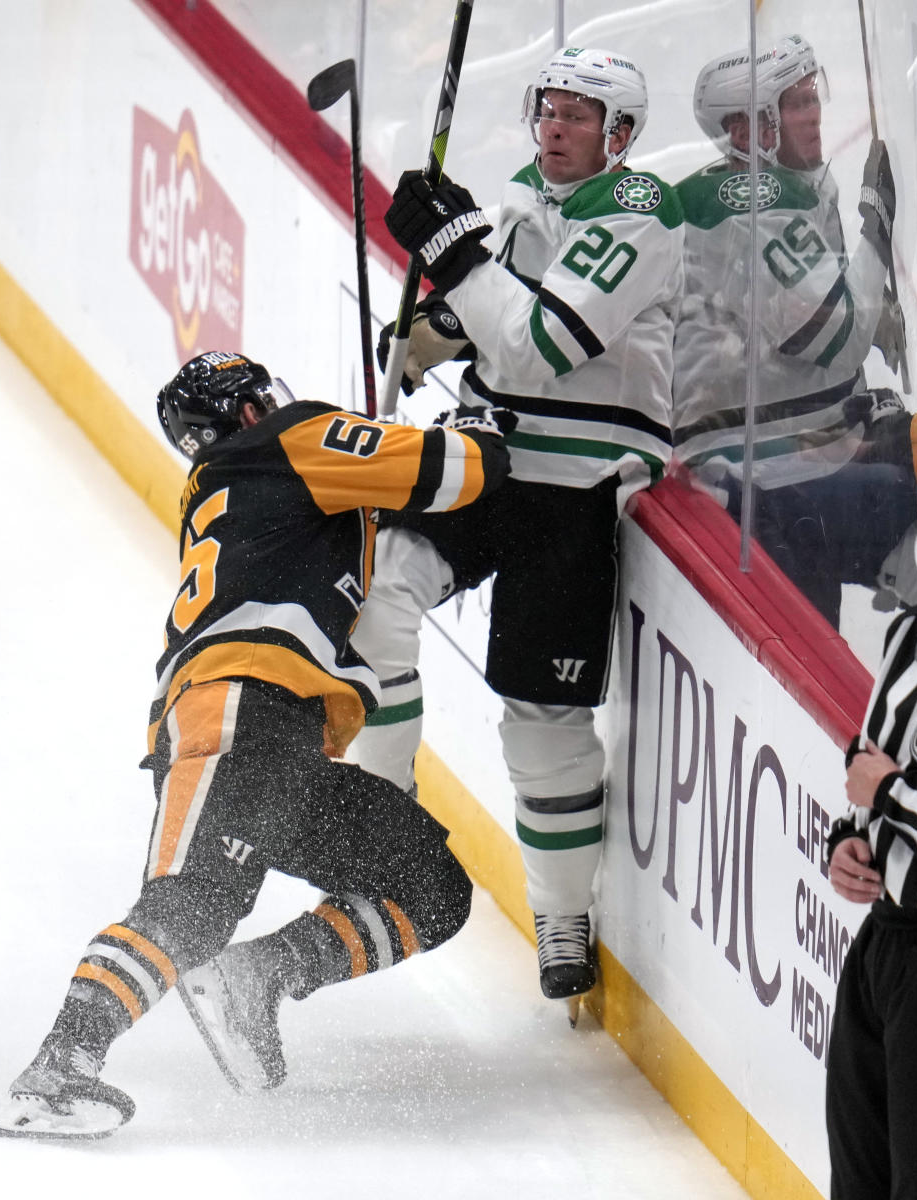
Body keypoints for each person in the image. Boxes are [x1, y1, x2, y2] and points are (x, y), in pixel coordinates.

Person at [0, 351, 511, 1140]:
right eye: (260, 396)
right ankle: (61, 1061)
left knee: (428, 883)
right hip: (235, 722)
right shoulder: (289, 441)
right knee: (188, 908)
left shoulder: (251, 489)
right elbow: (464, 472)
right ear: (243, 412)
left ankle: (261, 974)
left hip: (282, 744)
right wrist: (473, 429)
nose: (275, 402)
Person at [347, 47, 684, 1007]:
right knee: (380, 597)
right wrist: (429, 330)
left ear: (621, 135)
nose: (554, 125)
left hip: (572, 490)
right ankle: (382, 821)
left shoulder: (640, 216)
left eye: (578, 115)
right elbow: (495, 317)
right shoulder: (534, 201)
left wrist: (456, 256)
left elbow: (544, 344)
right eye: (548, 107)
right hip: (484, 460)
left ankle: (562, 914)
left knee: (543, 717)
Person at [672, 34, 917, 628]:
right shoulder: (751, 201)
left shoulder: (773, 188)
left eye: (814, 100)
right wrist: (876, 229)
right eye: (797, 106)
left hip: (795, 456)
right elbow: (836, 334)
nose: (815, 118)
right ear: (745, 132)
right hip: (764, 486)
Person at [825, 605, 917, 1198]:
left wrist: (890, 792)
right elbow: (870, 760)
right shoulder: (909, 631)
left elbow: (883, 780)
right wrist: (849, 838)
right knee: (859, 1175)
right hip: (882, 946)